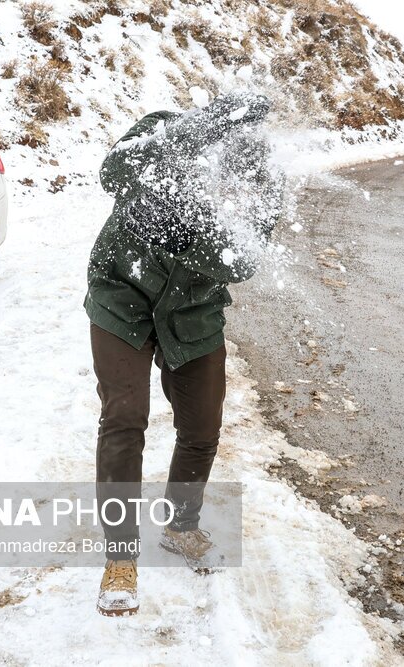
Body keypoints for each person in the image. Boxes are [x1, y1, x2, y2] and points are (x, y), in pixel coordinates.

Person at [84, 92, 282, 616]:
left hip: (194, 311)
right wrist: (196, 130)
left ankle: (180, 524)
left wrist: (184, 234)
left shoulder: (259, 168)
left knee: (201, 427)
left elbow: (244, 258)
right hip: (121, 298)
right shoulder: (163, 129)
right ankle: (121, 554)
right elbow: (115, 173)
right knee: (124, 418)